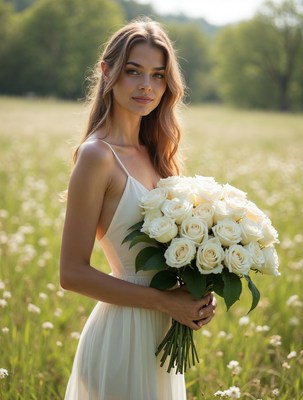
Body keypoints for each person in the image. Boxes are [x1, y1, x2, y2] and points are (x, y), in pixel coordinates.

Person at [60, 17, 217, 400]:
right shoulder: (98, 156)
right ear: (107, 72)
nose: (147, 86)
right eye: (133, 72)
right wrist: (166, 301)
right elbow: (72, 273)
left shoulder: (159, 154)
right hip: (122, 333)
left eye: (158, 75)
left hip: (162, 335)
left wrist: (195, 294)